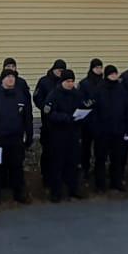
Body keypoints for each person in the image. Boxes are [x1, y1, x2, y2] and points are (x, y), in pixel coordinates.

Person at [0, 67, 33, 205]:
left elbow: (27, 117)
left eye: (13, 77)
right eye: (8, 77)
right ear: (2, 79)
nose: (11, 79)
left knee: (17, 167)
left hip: (16, 138)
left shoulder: (21, 95)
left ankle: (19, 194)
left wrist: (29, 134)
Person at [41, 69, 88, 202]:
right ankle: (56, 192)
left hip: (73, 134)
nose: (70, 84)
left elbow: (82, 108)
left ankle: (73, 190)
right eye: (68, 81)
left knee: (73, 163)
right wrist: (66, 118)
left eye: (72, 81)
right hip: (58, 134)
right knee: (57, 164)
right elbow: (49, 113)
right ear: (62, 81)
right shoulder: (54, 95)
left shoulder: (76, 94)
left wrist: (81, 117)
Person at [91, 65, 128, 192]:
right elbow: (94, 112)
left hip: (118, 130)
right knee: (101, 158)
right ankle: (100, 184)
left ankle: (117, 182)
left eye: (115, 74)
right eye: (111, 74)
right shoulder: (99, 89)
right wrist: (96, 129)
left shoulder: (121, 90)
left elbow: (127, 110)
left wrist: (127, 128)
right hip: (102, 131)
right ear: (106, 75)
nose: (114, 76)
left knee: (117, 158)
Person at [33, 59, 67, 179]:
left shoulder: (65, 83)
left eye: (63, 71)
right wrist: (45, 108)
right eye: (59, 70)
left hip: (63, 122)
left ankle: (61, 175)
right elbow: (37, 97)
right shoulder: (44, 82)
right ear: (53, 69)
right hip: (48, 122)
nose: (60, 73)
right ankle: (46, 174)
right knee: (48, 150)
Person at [78, 58, 103, 176]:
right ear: (92, 68)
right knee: (85, 147)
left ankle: (99, 170)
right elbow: (80, 100)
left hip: (101, 120)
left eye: (100, 67)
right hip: (87, 121)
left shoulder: (104, 83)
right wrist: (88, 103)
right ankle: (85, 168)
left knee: (100, 148)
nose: (98, 70)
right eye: (96, 67)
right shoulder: (84, 83)